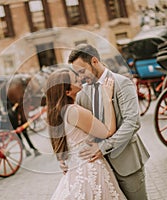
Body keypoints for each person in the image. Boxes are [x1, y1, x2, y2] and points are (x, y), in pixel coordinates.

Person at [67, 44, 150, 200]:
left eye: (82, 71)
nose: (81, 77)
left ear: (94, 61)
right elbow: (81, 130)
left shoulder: (122, 83)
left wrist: (103, 147)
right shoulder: (82, 94)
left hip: (126, 164)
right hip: (100, 169)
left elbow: (132, 122)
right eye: (77, 73)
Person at [47, 68, 126, 199]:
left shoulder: (57, 112)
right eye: (75, 80)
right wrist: (107, 99)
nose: (80, 79)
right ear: (68, 92)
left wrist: (61, 160)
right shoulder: (75, 111)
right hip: (89, 168)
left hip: (74, 169)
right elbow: (108, 131)